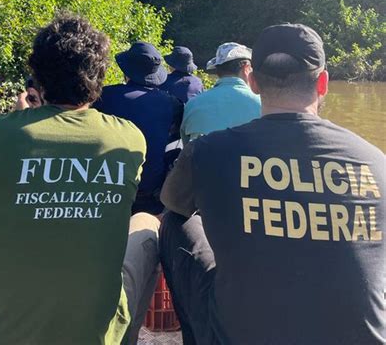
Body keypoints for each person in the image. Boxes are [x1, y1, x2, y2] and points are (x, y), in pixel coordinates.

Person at [160, 23, 385, 345]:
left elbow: (174, 204)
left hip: (240, 335)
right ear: (323, 83)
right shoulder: (375, 161)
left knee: (173, 222)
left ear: (252, 81)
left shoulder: (208, 150)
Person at [0, 14, 160, 345]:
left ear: (37, 79)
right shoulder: (129, 139)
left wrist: (20, 118)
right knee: (147, 220)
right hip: (92, 337)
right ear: (99, 79)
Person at [94, 41, 183, 215]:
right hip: (149, 191)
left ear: (126, 71)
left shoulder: (104, 96)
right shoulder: (171, 103)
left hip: (108, 185)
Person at [180, 41, 261, 144]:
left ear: (217, 70)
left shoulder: (192, 105)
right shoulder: (262, 104)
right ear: (246, 68)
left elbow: (186, 146)